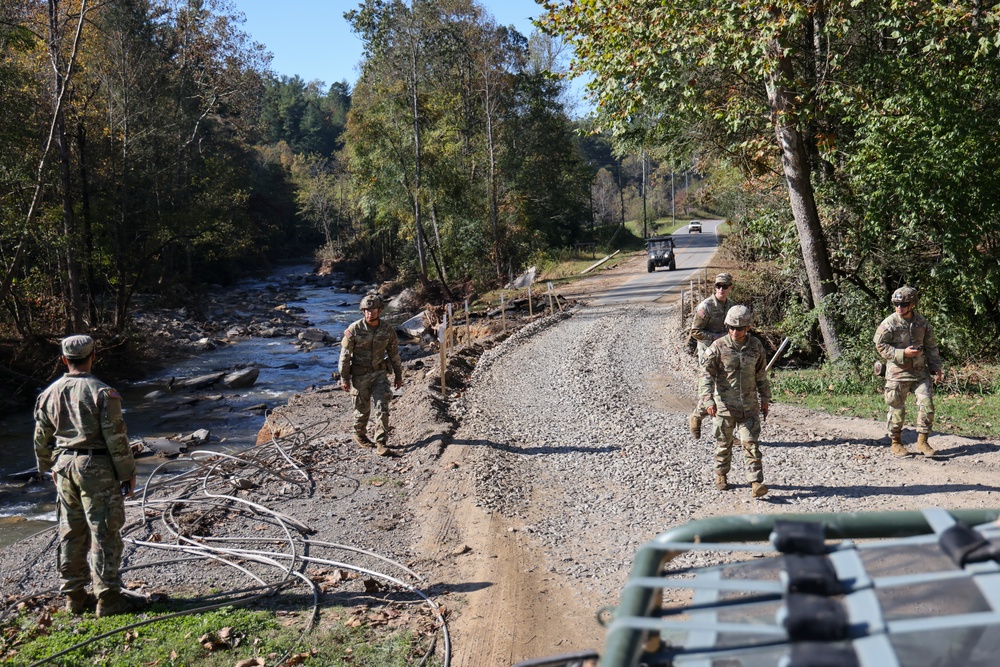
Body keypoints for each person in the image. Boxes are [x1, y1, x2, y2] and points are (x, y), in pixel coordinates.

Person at [33, 335, 147, 617]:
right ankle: (108, 600)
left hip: (64, 467)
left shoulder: (48, 393)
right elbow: (116, 438)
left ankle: (74, 596)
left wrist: (47, 467)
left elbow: (40, 437)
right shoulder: (103, 393)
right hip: (95, 469)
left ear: (63, 359)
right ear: (93, 356)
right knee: (104, 531)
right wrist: (128, 473)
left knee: (70, 531)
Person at [699, 305, 771, 498]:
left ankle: (756, 482)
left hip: (749, 406)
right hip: (724, 406)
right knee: (724, 443)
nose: (735, 331)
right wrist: (708, 401)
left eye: (739, 328)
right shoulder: (718, 347)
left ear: (747, 327)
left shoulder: (756, 347)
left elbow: (761, 375)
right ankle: (721, 475)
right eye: (731, 327)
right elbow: (706, 376)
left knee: (751, 444)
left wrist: (765, 398)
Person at [874, 286, 943, 458]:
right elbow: (880, 345)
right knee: (897, 408)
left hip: (920, 372)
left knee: (927, 404)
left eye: (904, 304)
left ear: (912, 304)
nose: (899, 307)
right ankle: (896, 442)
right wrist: (902, 353)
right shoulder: (889, 323)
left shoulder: (922, 322)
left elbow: (931, 346)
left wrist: (936, 367)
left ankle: (923, 441)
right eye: (896, 304)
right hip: (898, 373)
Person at [339, 293, 403, 457]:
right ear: (362, 311)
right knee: (362, 410)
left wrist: (398, 375)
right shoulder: (354, 329)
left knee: (382, 405)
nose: (369, 313)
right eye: (366, 310)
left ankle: (381, 442)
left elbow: (394, 354)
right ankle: (359, 435)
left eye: (373, 310)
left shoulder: (387, 330)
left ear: (380, 310)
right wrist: (344, 377)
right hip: (360, 376)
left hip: (380, 374)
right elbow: (345, 356)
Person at [689, 272, 735, 439]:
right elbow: (694, 331)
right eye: (718, 286)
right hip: (708, 352)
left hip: (726, 352)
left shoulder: (731, 307)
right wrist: (714, 337)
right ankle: (720, 432)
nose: (721, 289)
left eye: (724, 286)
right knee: (714, 390)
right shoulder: (706, 306)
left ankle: (699, 416)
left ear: (730, 287)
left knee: (726, 389)